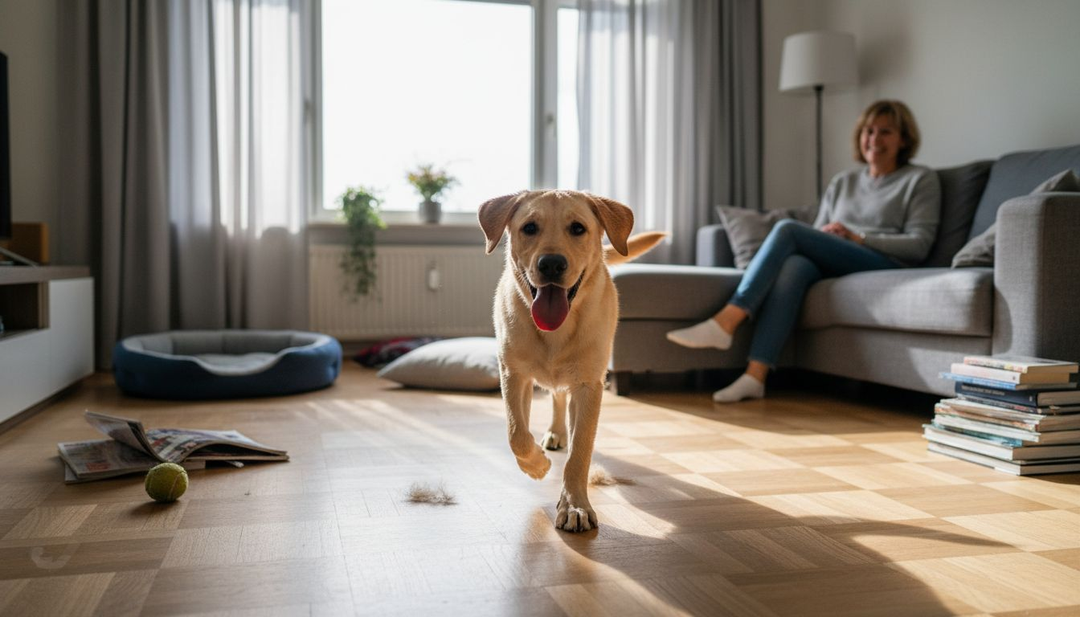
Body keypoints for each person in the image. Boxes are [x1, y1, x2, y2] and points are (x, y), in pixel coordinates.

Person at [666, 99, 941, 403]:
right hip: (839, 257)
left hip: (884, 261)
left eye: (885, 132)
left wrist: (858, 237)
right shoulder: (844, 181)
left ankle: (729, 318)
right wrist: (830, 236)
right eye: (868, 131)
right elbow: (818, 230)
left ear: (903, 138)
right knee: (795, 265)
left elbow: (919, 244)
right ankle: (754, 376)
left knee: (788, 229)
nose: (874, 140)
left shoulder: (920, 179)